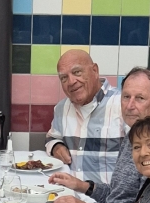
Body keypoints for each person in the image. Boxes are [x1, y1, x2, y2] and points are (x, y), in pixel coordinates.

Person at [51, 68, 150, 203]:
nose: (130, 106)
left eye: (140, 98)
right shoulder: (134, 136)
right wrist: (83, 186)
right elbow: (118, 195)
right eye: (126, 97)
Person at [44, 48, 125, 185]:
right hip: (67, 193)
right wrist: (56, 146)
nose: (71, 81)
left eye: (77, 72)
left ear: (95, 71)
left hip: (109, 197)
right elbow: (52, 137)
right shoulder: (61, 108)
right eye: (64, 78)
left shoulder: (123, 105)